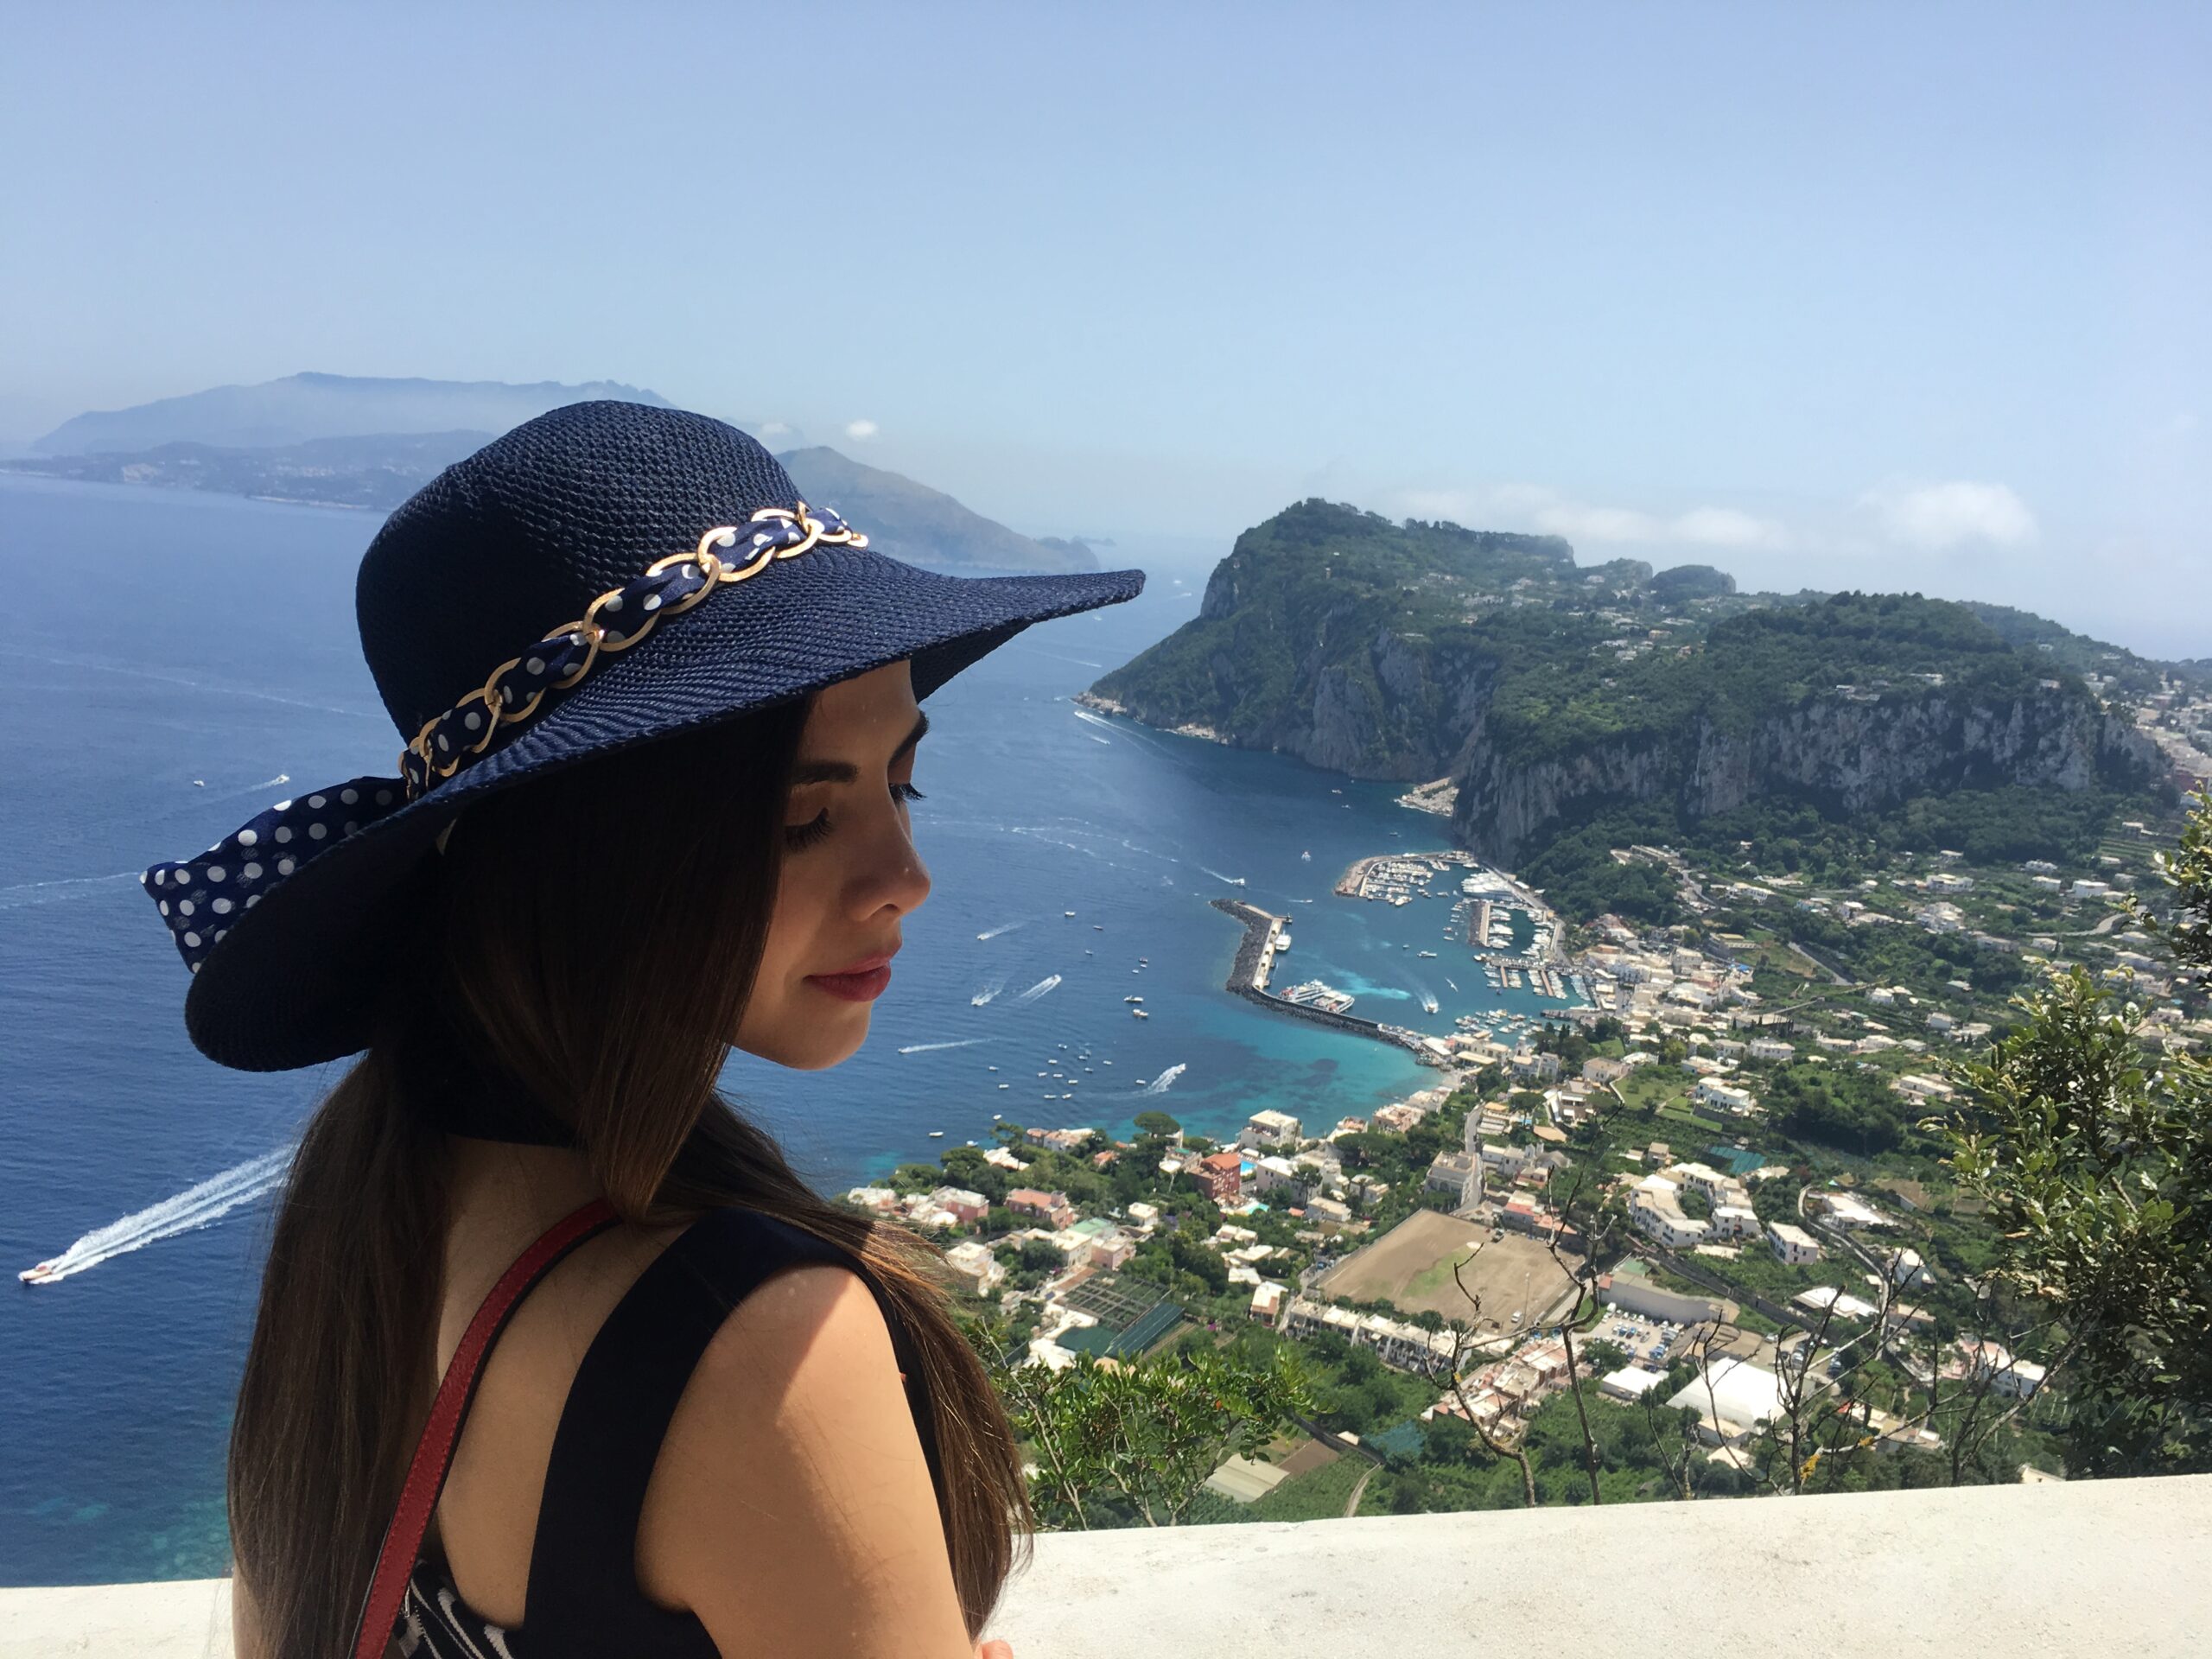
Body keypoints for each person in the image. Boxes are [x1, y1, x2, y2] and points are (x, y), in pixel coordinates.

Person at [138, 403, 1143, 1657]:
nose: (907, 878)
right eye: (802, 818)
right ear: (592, 859)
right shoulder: (755, 1347)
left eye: (903, 783)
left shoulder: (358, 1218)